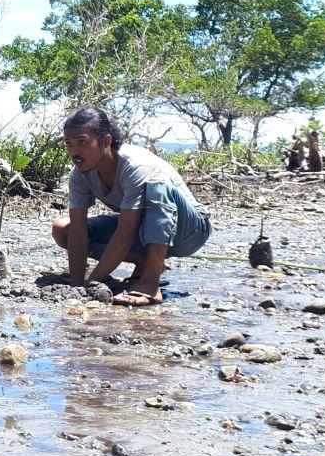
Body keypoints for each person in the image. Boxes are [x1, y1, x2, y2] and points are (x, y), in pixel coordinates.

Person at [51, 106, 212, 307]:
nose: (75, 151)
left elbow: (125, 234)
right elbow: (78, 233)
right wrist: (77, 287)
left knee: (156, 183)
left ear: (106, 141)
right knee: (63, 229)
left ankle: (150, 282)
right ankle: (145, 263)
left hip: (189, 230)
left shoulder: (134, 165)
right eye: (69, 144)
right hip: (146, 228)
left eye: (82, 142)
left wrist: (92, 281)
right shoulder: (80, 175)